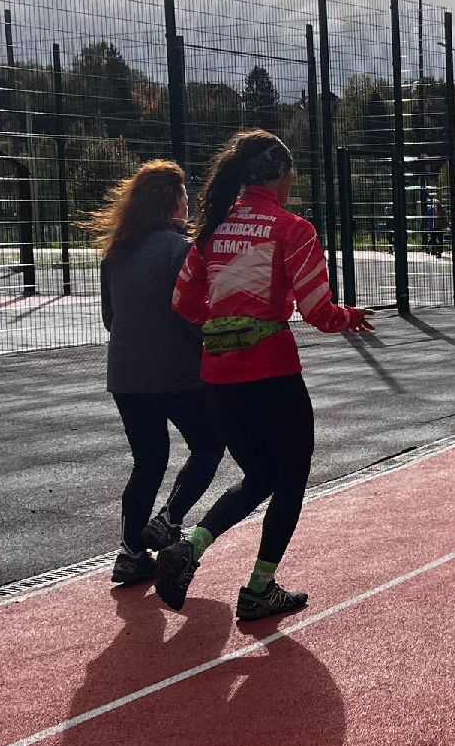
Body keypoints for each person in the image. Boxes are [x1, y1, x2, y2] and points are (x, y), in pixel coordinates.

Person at [160, 129, 375, 621]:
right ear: (281, 178)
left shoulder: (212, 232)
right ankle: (259, 586)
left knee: (260, 473)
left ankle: (190, 547)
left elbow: (183, 304)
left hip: (219, 376)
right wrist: (348, 315)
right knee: (292, 474)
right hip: (273, 373)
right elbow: (319, 312)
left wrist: (226, 322)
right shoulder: (291, 229)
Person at [87, 160, 226, 586]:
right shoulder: (182, 251)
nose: (189, 203)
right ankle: (170, 519)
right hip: (176, 372)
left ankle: (130, 552)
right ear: (173, 203)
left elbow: (112, 318)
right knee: (208, 445)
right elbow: (192, 315)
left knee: (148, 461)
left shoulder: (116, 252)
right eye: (185, 197)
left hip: (126, 374)